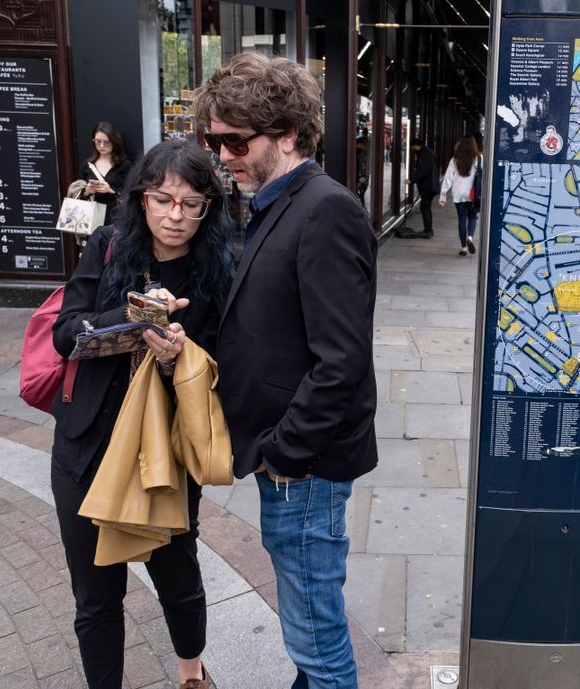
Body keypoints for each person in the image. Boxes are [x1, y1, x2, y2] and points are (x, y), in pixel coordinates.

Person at [194, 52, 378, 689]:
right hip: (292, 461)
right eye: (213, 140)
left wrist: (285, 453)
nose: (223, 156)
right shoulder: (274, 204)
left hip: (305, 466)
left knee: (317, 639)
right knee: (309, 628)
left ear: (289, 134)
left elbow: (343, 360)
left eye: (236, 141)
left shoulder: (325, 210)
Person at [51, 139, 234, 689]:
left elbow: (235, 362)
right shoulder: (108, 246)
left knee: (177, 575)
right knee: (96, 595)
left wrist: (183, 354)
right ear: (141, 200)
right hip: (87, 447)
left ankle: (189, 673)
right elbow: (67, 333)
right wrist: (132, 318)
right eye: (163, 200)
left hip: (168, 452)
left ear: (209, 208)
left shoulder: (224, 268)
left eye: (191, 203)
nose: (175, 216)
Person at [76, 122, 132, 224]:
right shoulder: (87, 165)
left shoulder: (124, 165)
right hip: (92, 219)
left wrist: (111, 190)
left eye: (106, 142)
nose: (102, 146)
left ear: (115, 141)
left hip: (117, 218)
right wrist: (87, 191)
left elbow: (131, 194)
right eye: (98, 141)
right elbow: (79, 198)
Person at [438, 135, 479, 256]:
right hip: (473, 194)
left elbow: (448, 178)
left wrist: (443, 194)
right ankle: (470, 237)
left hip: (458, 194)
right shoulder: (479, 158)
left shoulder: (455, 160)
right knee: (472, 218)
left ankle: (463, 248)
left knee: (462, 219)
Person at [410, 136, 439, 237]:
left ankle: (428, 230)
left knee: (424, 207)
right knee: (426, 207)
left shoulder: (424, 154)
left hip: (428, 186)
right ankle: (429, 230)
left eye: (413, 148)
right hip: (431, 185)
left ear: (416, 146)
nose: (413, 150)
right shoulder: (428, 152)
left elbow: (422, 171)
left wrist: (411, 180)